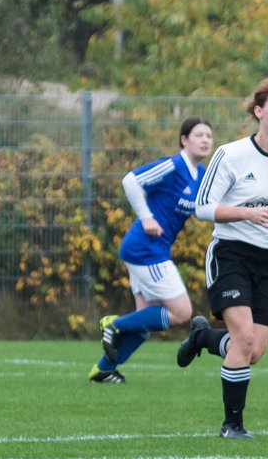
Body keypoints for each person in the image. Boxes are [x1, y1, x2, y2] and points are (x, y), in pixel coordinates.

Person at [175, 77, 268, 439]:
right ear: (258, 110)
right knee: (243, 338)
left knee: (254, 351)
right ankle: (232, 425)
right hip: (230, 252)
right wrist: (248, 214)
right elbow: (202, 208)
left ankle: (203, 338)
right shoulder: (231, 154)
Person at [92, 117, 214, 383]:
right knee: (182, 312)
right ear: (184, 139)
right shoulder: (173, 166)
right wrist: (146, 217)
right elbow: (130, 181)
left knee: (145, 324)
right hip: (146, 250)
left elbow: (210, 208)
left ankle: (103, 370)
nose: (205, 140)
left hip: (151, 250)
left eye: (209, 136)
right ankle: (114, 323)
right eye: (199, 135)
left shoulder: (202, 175)